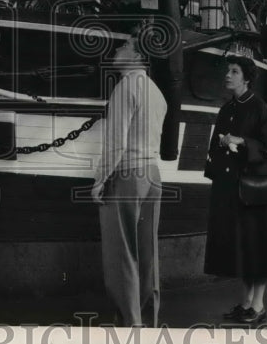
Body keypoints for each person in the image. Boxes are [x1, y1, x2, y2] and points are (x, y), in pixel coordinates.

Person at [91, 33, 168, 327]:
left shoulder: (125, 87)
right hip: (153, 174)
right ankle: (147, 319)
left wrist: (99, 180)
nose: (117, 48)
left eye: (125, 45)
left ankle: (130, 324)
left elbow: (116, 143)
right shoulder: (156, 92)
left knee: (121, 251)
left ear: (137, 57)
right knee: (149, 252)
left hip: (127, 174)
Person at [203, 55, 267, 325]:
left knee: (256, 248)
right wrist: (222, 145)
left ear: (246, 78)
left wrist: (241, 141)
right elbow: (215, 149)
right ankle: (246, 303)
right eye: (228, 71)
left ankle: (258, 305)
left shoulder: (259, 108)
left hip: (254, 192)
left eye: (234, 71)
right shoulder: (227, 109)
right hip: (231, 191)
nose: (228, 75)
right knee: (244, 249)